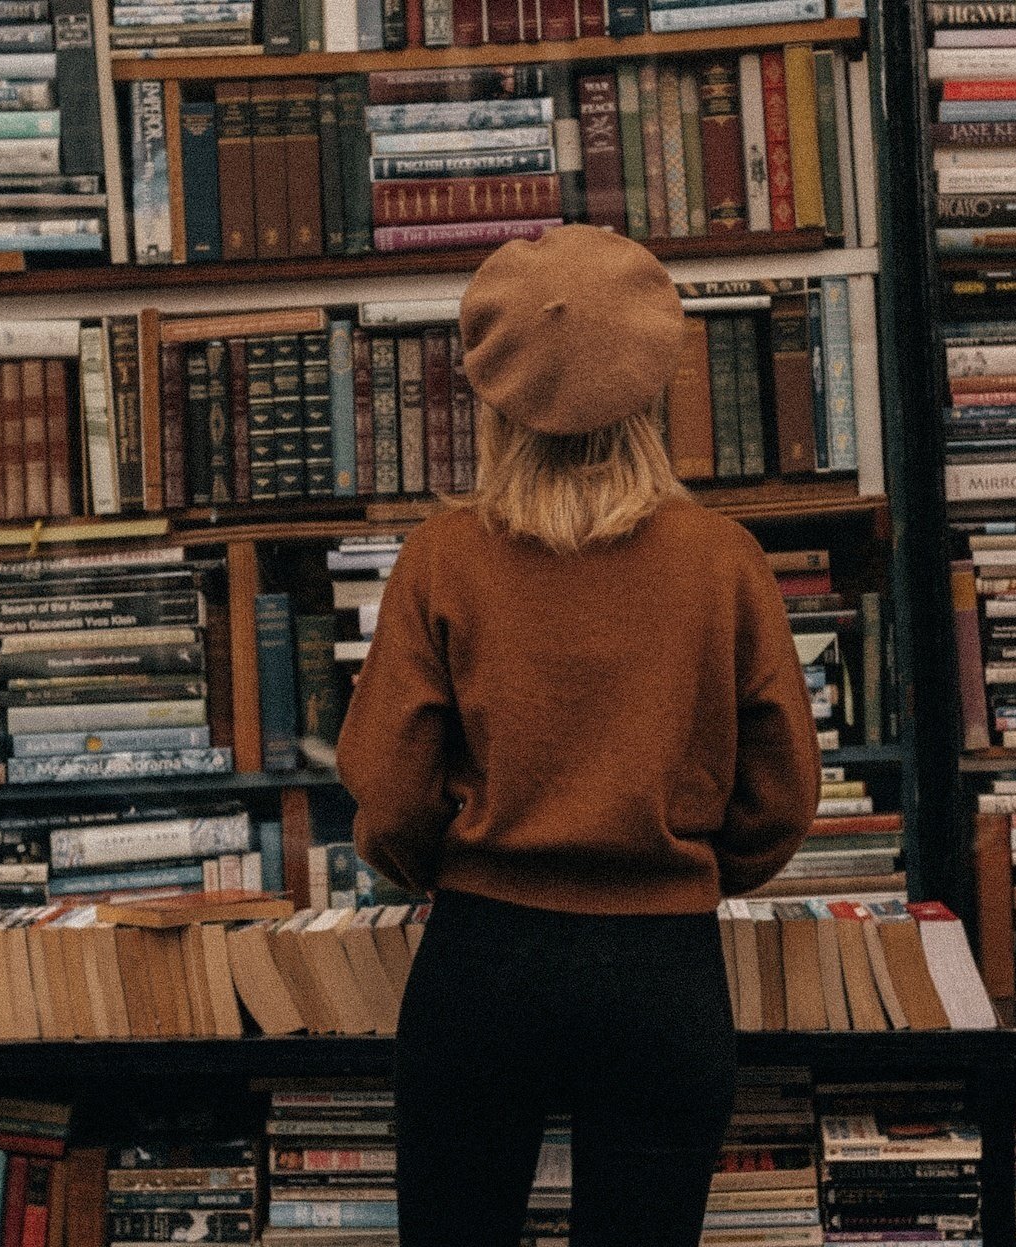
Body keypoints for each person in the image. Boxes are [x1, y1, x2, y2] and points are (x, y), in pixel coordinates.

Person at [335, 224, 821, 1247]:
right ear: (652, 381)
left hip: (483, 958)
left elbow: (388, 793)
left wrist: (445, 870)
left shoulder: (441, 558)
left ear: (495, 390)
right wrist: (679, 872)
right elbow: (781, 798)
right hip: (663, 973)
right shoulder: (725, 561)